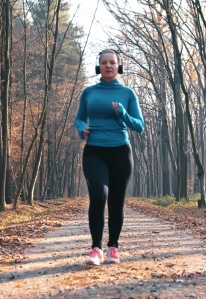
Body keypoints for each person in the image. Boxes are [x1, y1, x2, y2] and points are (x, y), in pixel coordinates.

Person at [74, 49, 145, 265]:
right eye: (104, 63)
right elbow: (79, 119)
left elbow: (139, 126)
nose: (108, 66)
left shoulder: (128, 94)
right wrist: (81, 129)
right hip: (94, 150)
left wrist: (123, 113)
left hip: (120, 152)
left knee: (116, 202)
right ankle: (96, 249)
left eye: (112, 62)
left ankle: (113, 247)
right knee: (98, 196)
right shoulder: (89, 93)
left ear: (118, 66)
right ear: (98, 67)